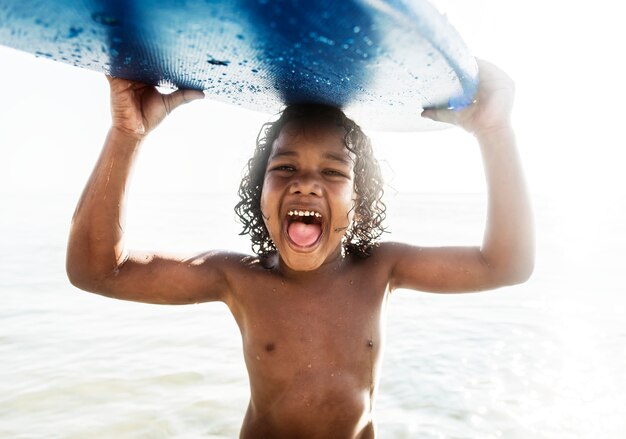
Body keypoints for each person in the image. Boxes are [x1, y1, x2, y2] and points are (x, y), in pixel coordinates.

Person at [66, 59, 534, 438]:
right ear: (259, 193)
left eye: (333, 173)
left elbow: (505, 265)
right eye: (285, 168)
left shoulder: (381, 269)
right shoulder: (238, 278)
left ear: (359, 201)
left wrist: (495, 133)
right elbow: (97, 270)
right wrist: (127, 136)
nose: (307, 184)